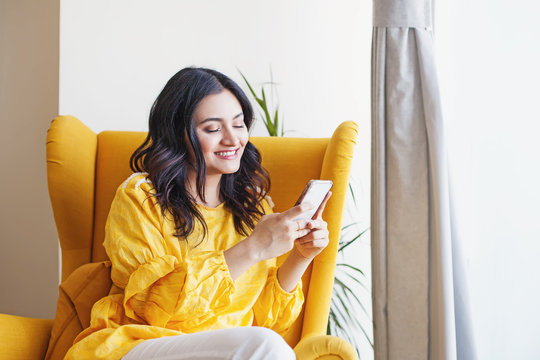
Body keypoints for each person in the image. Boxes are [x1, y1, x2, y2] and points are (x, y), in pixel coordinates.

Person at [64, 67, 331, 360]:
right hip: (137, 344)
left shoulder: (254, 208)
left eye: (239, 124)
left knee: (265, 344)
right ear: (180, 134)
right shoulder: (140, 198)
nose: (232, 140)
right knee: (264, 346)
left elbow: (265, 322)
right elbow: (151, 306)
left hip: (222, 353)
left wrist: (300, 257)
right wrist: (252, 248)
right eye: (213, 129)